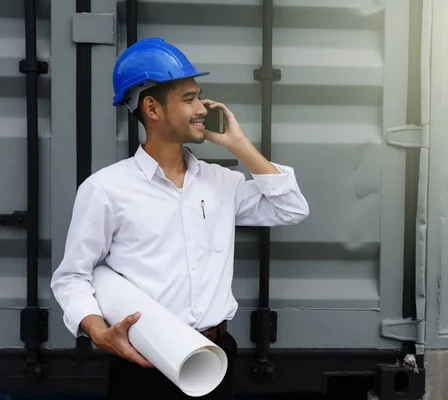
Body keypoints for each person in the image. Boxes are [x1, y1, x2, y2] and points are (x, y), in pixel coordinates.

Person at [50, 37, 309, 400]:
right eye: (188, 99)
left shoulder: (222, 183)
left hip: (215, 356)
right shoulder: (106, 189)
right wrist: (98, 332)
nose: (202, 107)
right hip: (143, 361)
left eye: (200, 95)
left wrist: (238, 145)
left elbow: (291, 208)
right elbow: (72, 277)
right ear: (152, 109)